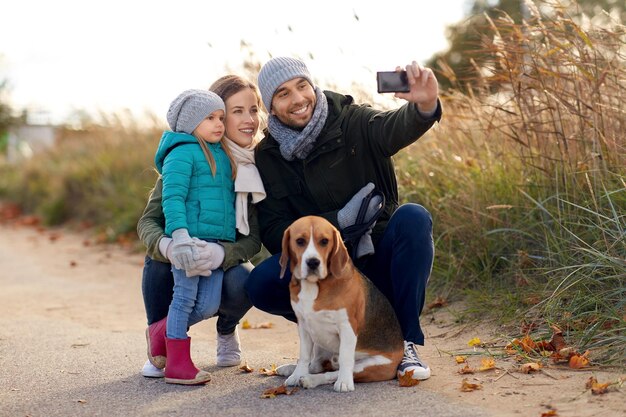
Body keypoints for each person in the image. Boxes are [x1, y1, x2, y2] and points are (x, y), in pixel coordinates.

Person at [245, 57, 442, 382]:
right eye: (282, 94)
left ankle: (405, 343)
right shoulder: (267, 157)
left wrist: (425, 105)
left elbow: (394, 128)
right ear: (271, 107)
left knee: (413, 218)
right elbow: (274, 230)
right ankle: (328, 345)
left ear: (313, 86)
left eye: (302, 86)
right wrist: (339, 221)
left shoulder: (353, 119)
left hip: (377, 257)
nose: (297, 99)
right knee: (261, 284)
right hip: (323, 271)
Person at [138, 77, 265, 383]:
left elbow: (253, 239)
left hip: (219, 257)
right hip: (182, 251)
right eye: (236, 111)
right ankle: (163, 346)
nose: (248, 120)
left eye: (254, 109)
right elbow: (148, 222)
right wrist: (170, 245)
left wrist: (222, 253)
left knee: (244, 279)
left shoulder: (254, 167)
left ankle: (224, 329)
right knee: (158, 263)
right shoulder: (189, 158)